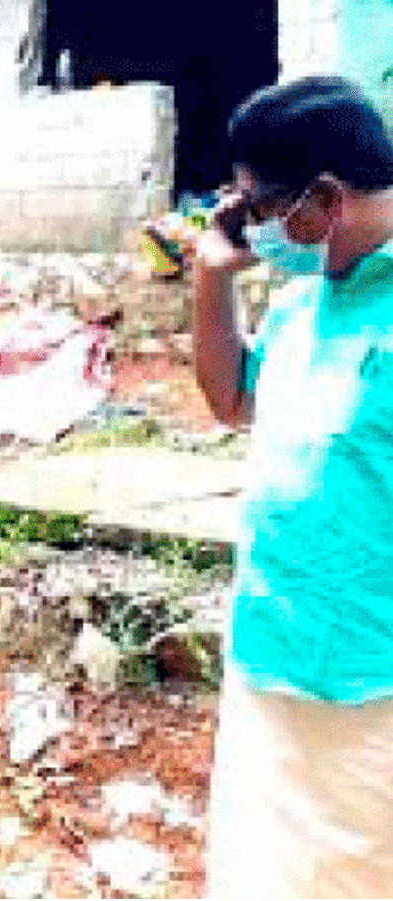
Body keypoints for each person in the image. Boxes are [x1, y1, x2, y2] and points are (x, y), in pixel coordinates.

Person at [191, 74, 393, 897]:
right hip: (270, 647)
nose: (255, 228)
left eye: (258, 208)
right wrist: (214, 273)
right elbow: (229, 398)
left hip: (369, 684)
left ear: (324, 200)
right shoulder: (305, 305)